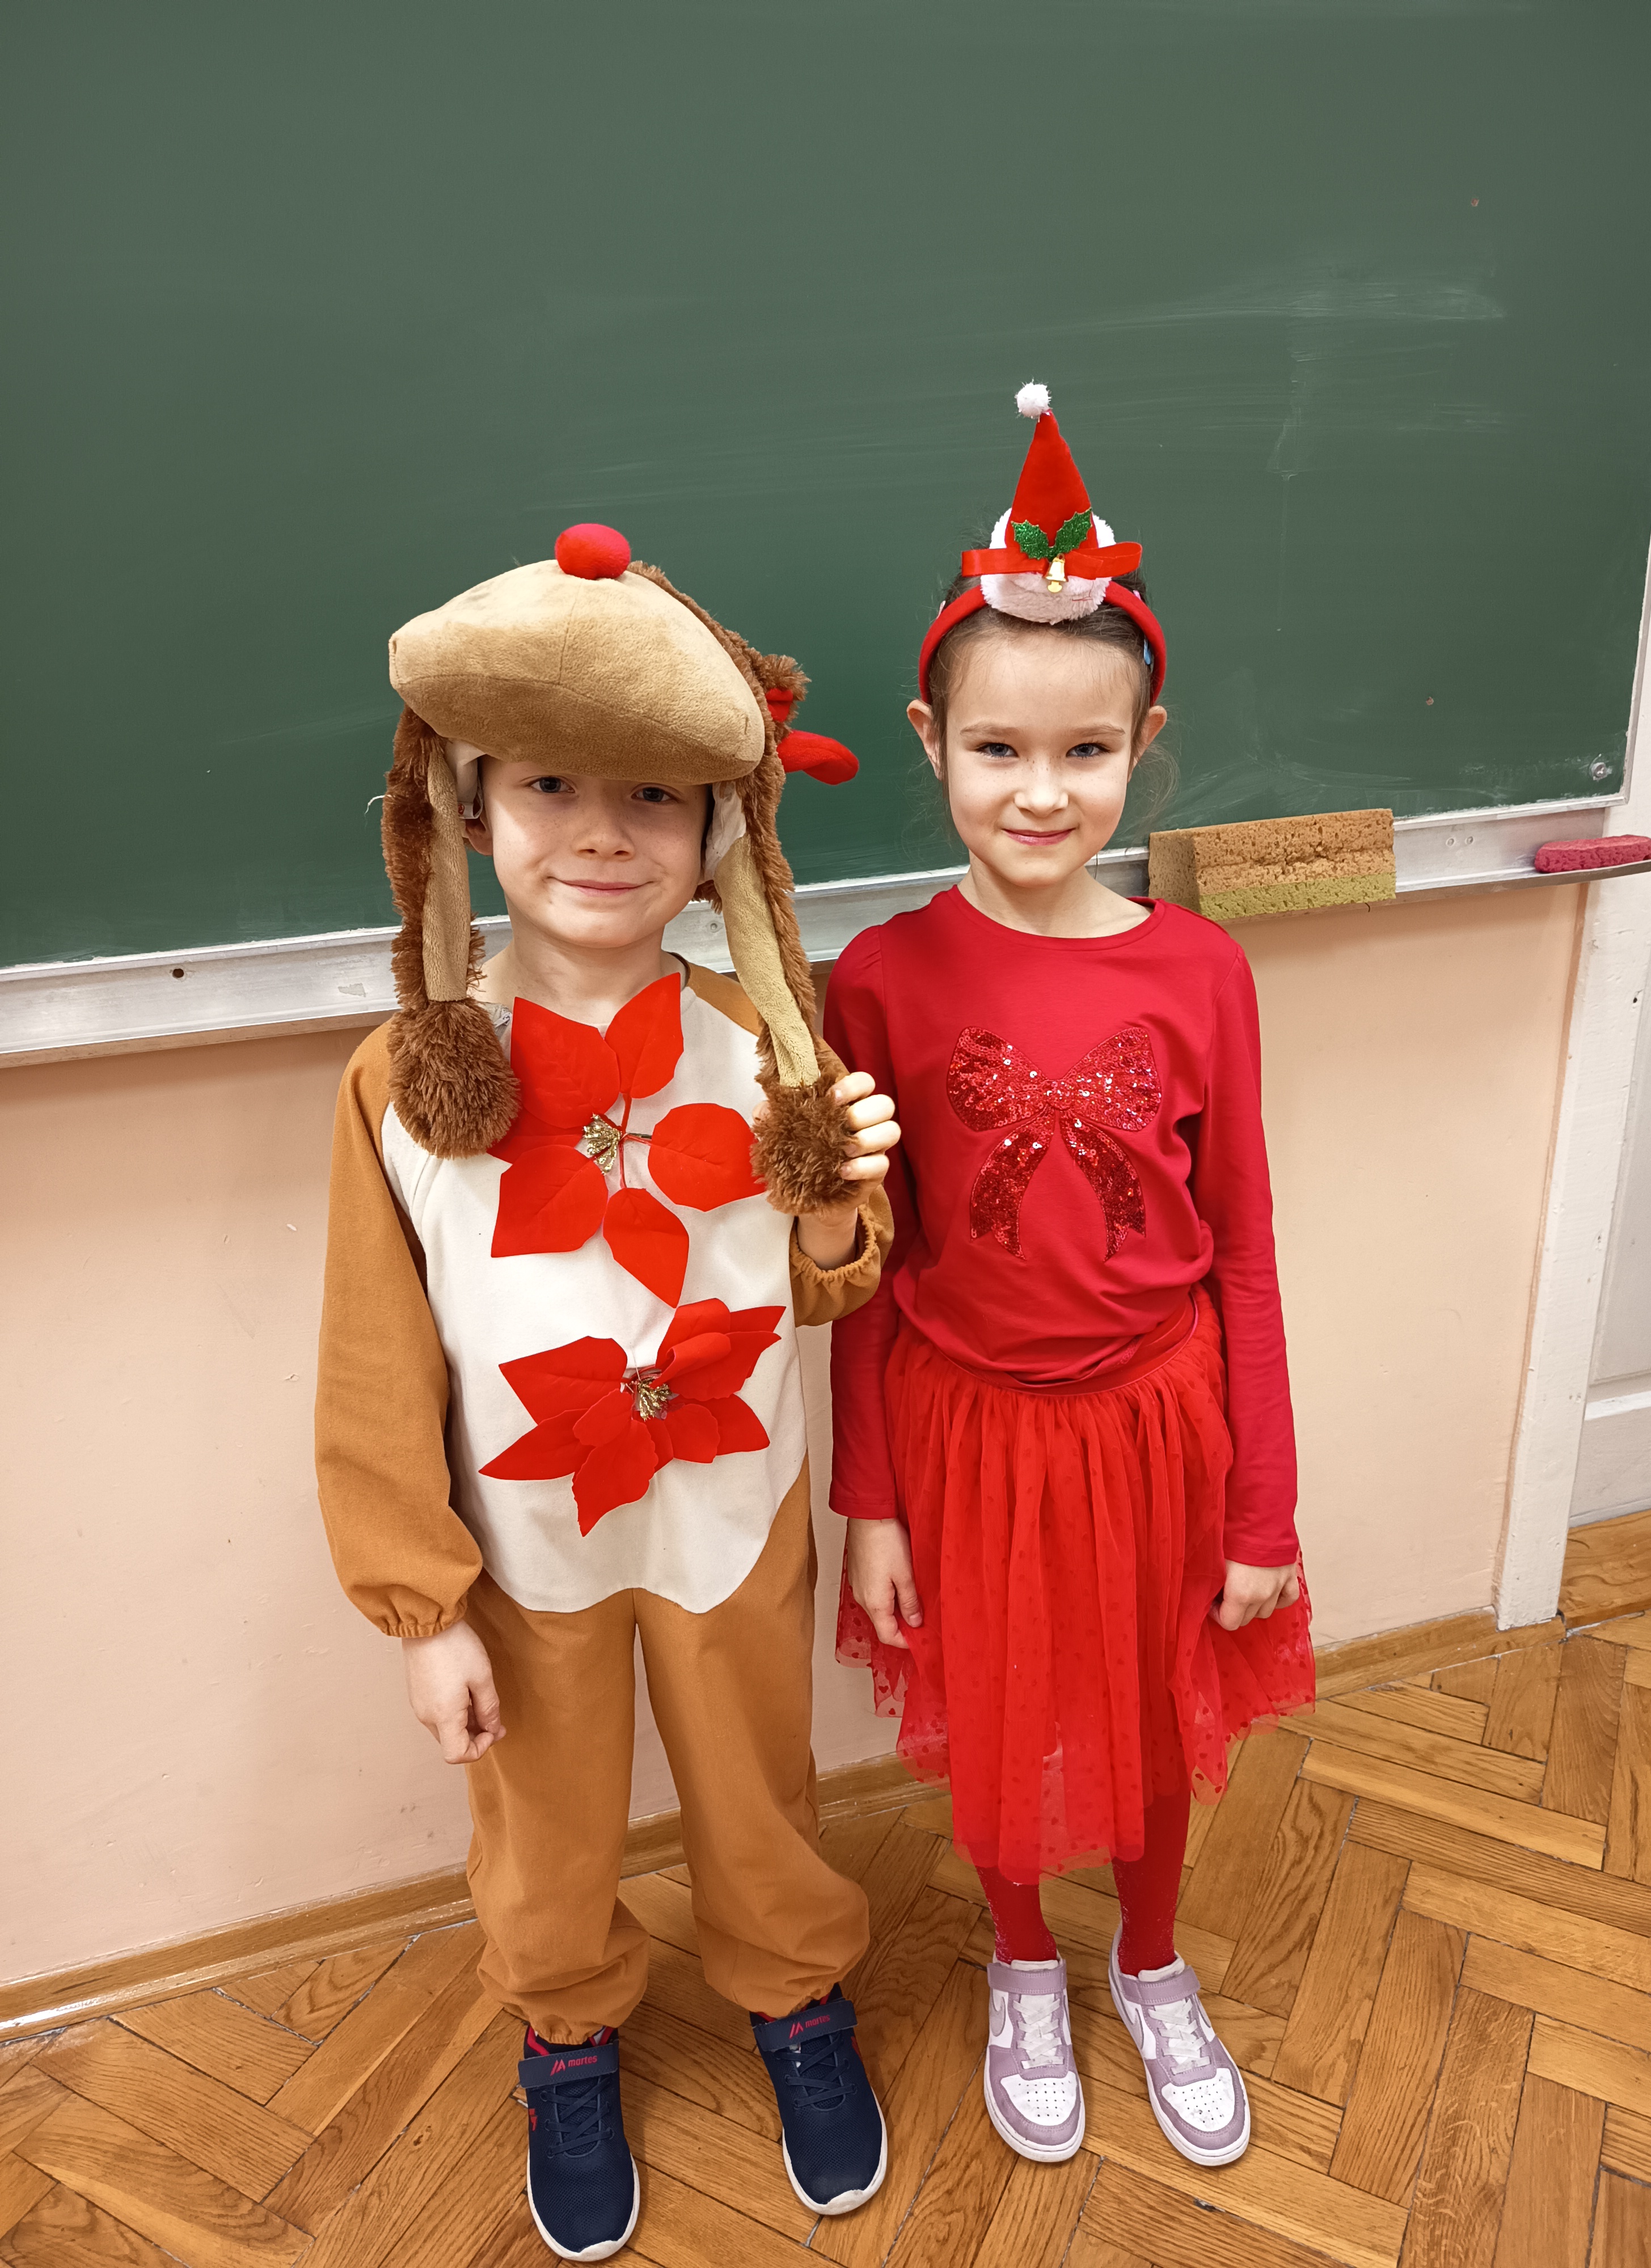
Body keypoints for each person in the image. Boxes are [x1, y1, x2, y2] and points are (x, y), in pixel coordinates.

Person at [314, 526, 900, 2262]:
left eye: (652, 794)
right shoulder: (410, 1081)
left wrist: (838, 1207)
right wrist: (423, 1608)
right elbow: (372, 1364)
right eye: (550, 784)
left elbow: (822, 1279)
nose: (599, 831)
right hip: (523, 1545)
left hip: (729, 1509)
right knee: (542, 1821)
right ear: (472, 809)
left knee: (761, 1785)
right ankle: (566, 2033)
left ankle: (795, 1994)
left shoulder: (764, 1036)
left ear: (717, 827)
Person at [826, 388, 1315, 2173]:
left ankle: (1154, 1960)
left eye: (1087, 752)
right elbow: (869, 1269)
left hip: (1160, 1425)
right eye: (999, 750)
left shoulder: (1200, 974)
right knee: (1011, 1711)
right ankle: (1025, 1960)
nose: (1042, 792)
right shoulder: (878, 980)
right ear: (932, 743)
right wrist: (872, 1501)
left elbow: (1243, 1250)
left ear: (1141, 745)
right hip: (966, 1431)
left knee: (1159, 1718)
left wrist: (1264, 1506)